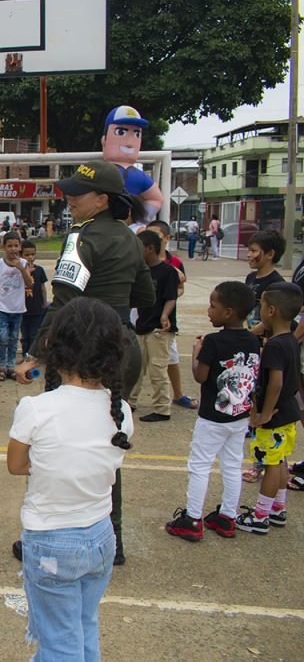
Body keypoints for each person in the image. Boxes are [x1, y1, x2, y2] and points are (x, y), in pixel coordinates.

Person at [14, 160, 155, 566]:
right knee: (106, 444)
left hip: (78, 351)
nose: (69, 199)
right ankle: (113, 539)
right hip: (120, 350)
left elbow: (63, 304)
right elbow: (144, 297)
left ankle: (50, 535)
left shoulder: (81, 238)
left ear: (102, 200)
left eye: (77, 193)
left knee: (54, 448)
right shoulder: (131, 239)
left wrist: (35, 356)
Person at [8, 297, 132, 662]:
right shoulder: (120, 410)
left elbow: (17, 465)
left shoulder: (35, 409)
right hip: (100, 536)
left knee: (59, 642)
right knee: (83, 624)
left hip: (52, 541)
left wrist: (50, 461)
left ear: (50, 346)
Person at [165, 282, 260, 541]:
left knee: (200, 466)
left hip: (212, 418)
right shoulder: (253, 339)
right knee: (232, 465)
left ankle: (193, 519)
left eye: (213, 306)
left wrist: (197, 354)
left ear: (228, 312)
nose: (209, 311)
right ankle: (227, 517)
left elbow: (200, 376)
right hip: (239, 416)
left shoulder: (213, 342)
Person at [236, 282, 302, 534]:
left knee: (270, 463)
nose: (260, 309)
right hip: (287, 412)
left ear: (271, 310)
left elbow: (275, 382)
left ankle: (261, 515)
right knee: (280, 459)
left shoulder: (274, 345)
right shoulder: (290, 339)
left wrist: (263, 413)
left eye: (262, 305)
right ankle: (278, 508)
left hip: (273, 415)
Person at [145, 221, 196, 412]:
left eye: (156, 236)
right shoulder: (140, 260)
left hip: (164, 320)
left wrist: (169, 298)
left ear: (166, 239)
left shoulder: (174, 264)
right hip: (143, 316)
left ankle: (178, 394)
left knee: (170, 358)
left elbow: (180, 287)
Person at [132, 230, 179, 423]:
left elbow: (171, 297)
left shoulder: (167, 272)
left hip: (159, 329)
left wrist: (164, 315)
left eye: (139, 248)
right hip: (141, 325)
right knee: (136, 368)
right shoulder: (140, 271)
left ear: (150, 249)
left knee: (157, 369)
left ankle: (162, 408)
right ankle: (130, 402)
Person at [0, 231, 33, 381]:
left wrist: (21, 268)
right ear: (4, 247)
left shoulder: (24, 263)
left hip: (18, 308)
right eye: (10, 246)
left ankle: (11, 366)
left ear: (20, 247)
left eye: (16, 246)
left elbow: (30, 283)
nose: (13, 249)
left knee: (14, 338)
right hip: (2, 308)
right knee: (2, 337)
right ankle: (1, 367)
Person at [20, 240, 49, 360]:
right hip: (22, 309)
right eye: (27, 255)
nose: (30, 257)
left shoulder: (40, 270)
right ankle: (24, 355)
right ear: (21, 255)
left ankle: (31, 357)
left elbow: (42, 287)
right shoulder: (19, 271)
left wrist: (44, 302)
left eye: (33, 254)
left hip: (37, 308)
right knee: (24, 335)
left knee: (34, 334)